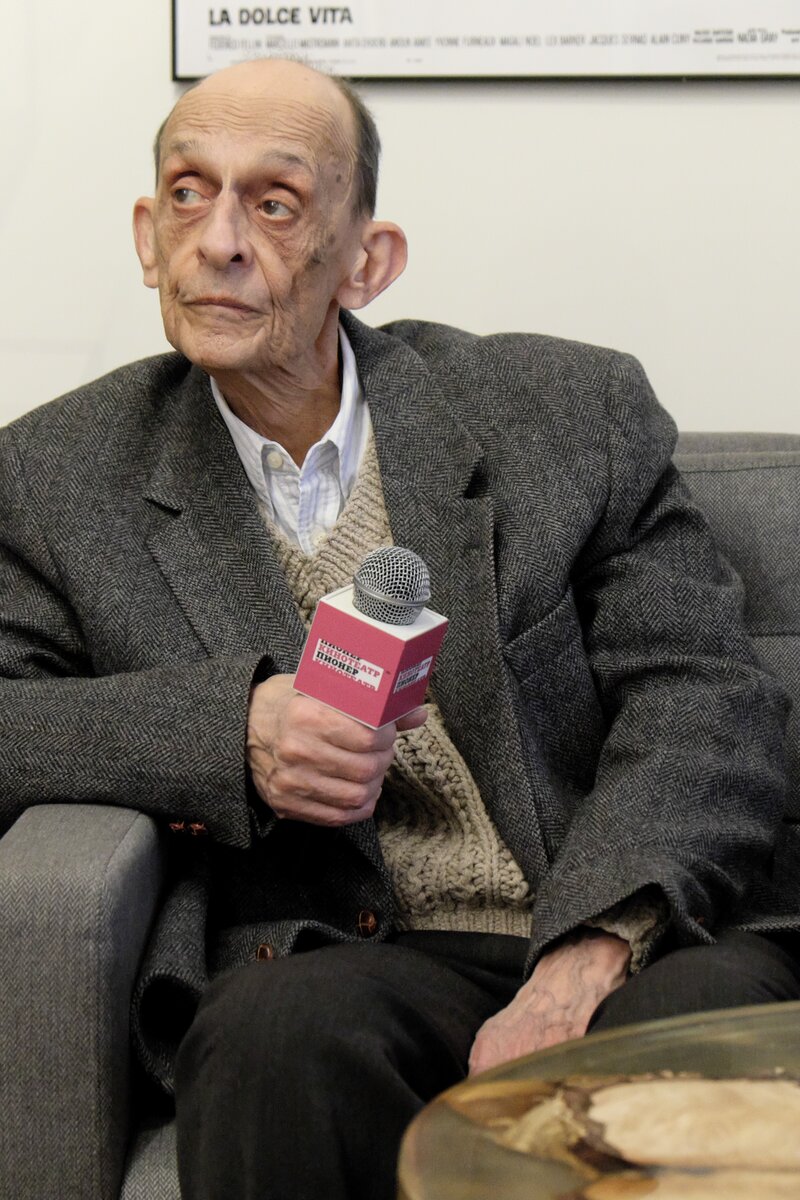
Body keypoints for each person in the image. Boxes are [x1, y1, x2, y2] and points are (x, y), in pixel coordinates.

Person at [1, 56, 798, 1200]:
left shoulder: (565, 413)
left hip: (614, 924)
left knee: (703, 1032)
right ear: (145, 235)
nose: (218, 241)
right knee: (273, 1039)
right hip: (338, 956)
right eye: (187, 192)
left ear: (366, 260)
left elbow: (701, 698)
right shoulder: (54, 477)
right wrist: (229, 731)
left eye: (275, 202)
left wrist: (586, 955)